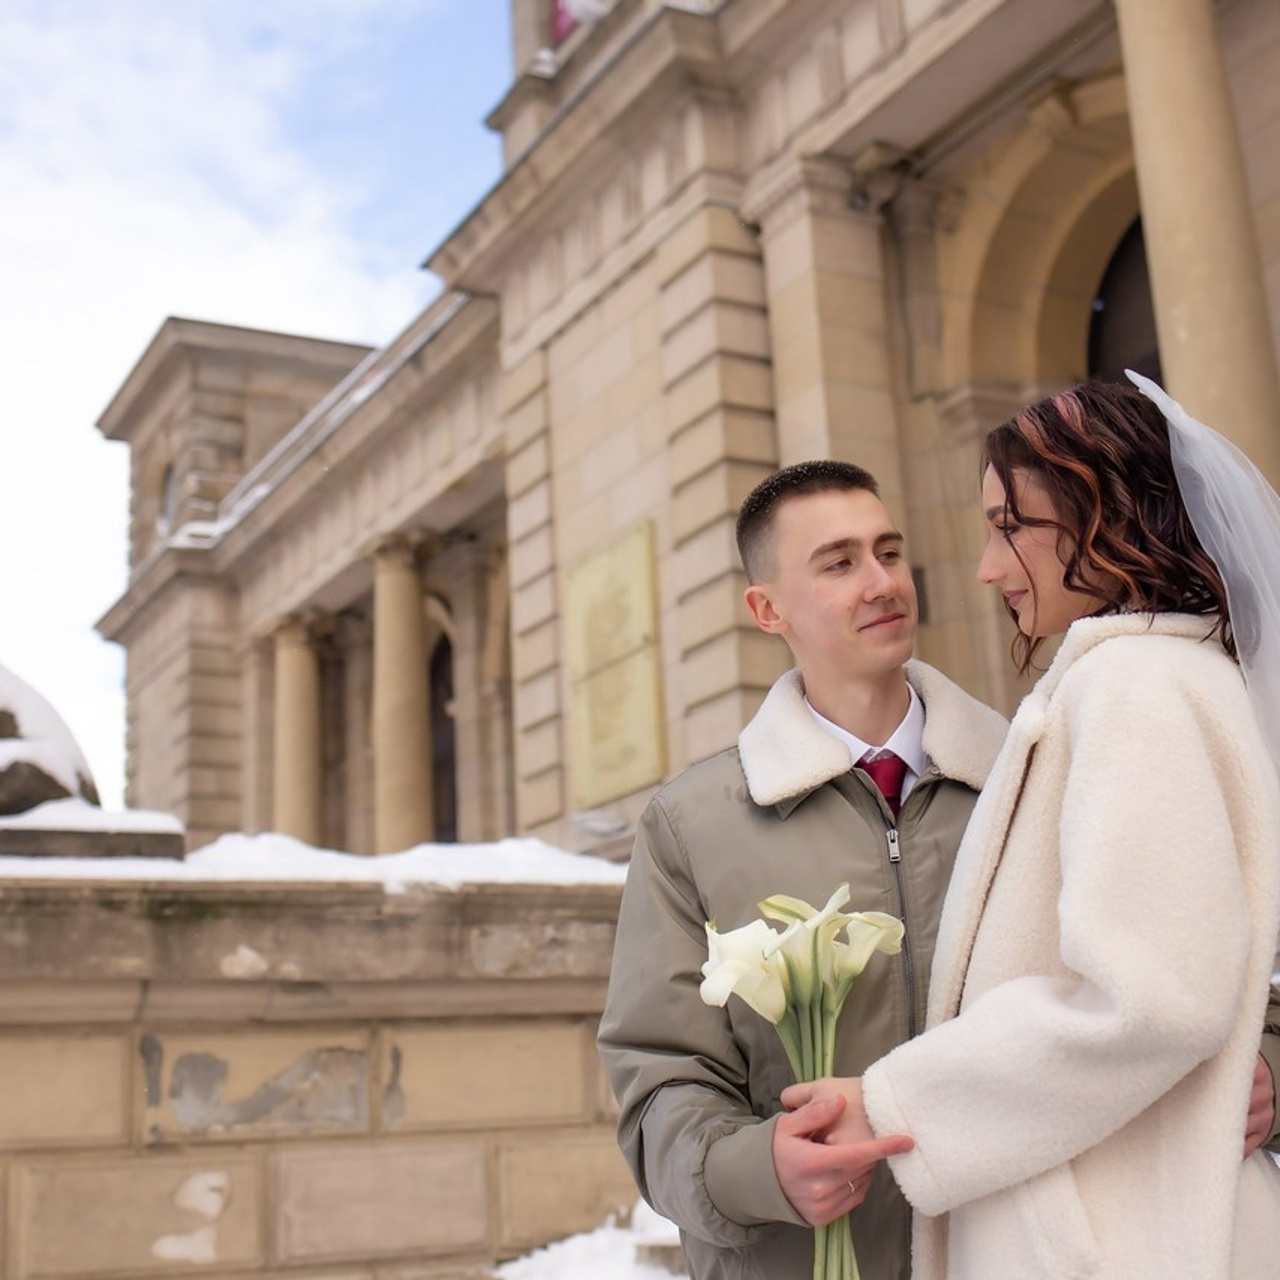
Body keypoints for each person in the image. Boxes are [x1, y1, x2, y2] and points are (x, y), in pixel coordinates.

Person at [784, 379, 1280, 1278]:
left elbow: (1148, 1001)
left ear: (1102, 513)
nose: (986, 568)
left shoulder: (1133, 690)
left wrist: (890, 1104)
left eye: (1009, 526)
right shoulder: (1166, 679)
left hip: (1116, 1241)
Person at [597, 460, 1011, 1280]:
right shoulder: (692, 825)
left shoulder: (1022, 775)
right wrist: (758, 1171)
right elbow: (661, 1082)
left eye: (889, 553)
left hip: (1014, 1251)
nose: (881, 582)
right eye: (839, 563)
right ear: (766, 608)